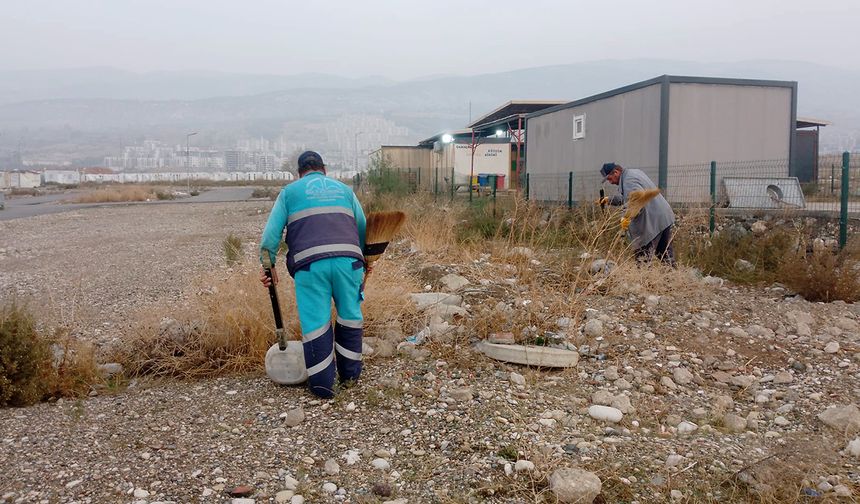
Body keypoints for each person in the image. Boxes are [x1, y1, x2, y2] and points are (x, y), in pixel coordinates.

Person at [259, 151, 367, 398]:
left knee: (316, 324)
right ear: (324, 170)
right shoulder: (345, 190)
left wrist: (268, 267)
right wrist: (361, 259)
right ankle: (350, 377)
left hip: (310, 266)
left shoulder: (290, 192)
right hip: (348, 263)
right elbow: (361, 227)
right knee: (350, 316)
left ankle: (322, 386)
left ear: (299, 173)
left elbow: (270, 237)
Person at [599, 162, 676, 266]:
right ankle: (674, 279)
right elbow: (631, 197)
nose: (610, 182)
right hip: (663, 217)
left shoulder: (628, 182)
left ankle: (641, 281)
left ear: (616, 172)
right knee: (666, 257)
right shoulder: (634, 173)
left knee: (642, 259)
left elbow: (636, 203)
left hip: (651, 222)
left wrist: (625, 217)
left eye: (609, 178)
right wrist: (610, 200)